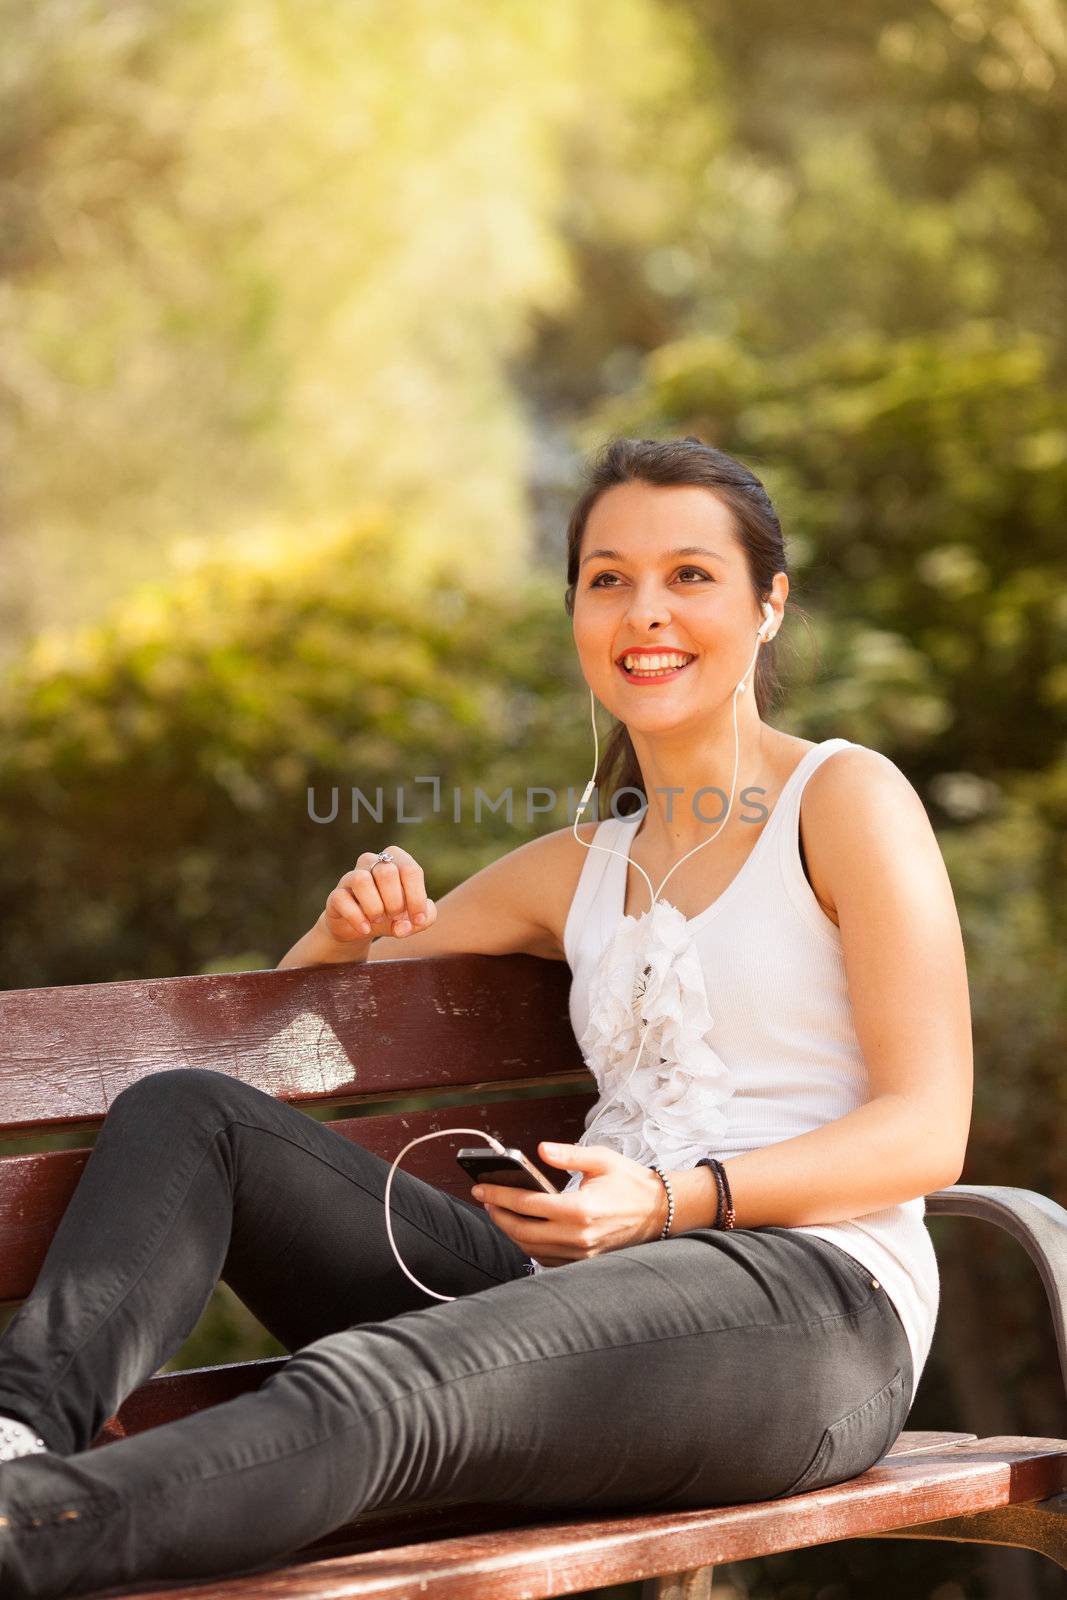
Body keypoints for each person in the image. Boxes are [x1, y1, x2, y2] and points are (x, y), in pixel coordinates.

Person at [0, 435, 973, 1598]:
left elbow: (927, 1130)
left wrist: (664, 1202)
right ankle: (14, 1437)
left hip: (812, 1306)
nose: (642, 611)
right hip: (566, 1299)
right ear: (574, 610)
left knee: (372, 1387)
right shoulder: (573, 867)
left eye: (690, 576)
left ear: (768, 606)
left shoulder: (843, 798)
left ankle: (27, 1531)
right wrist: (345, 929)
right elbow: (303, 1025)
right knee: (191, 1115)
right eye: (606, 577)